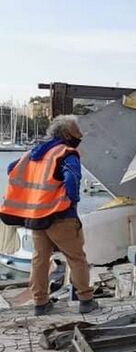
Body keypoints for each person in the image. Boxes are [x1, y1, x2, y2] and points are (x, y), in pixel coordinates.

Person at [0, 115, 99, 316]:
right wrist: (71, 200)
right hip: (60, 215)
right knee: (76, 257)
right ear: (66, 134)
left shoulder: (34, 154)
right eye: (76, 132)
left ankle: (40, 303)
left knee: (40, 259)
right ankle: (86, 299)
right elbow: (72, 178)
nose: (79, 136)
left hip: (36, 216)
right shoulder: (67, 154)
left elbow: (12, 169)